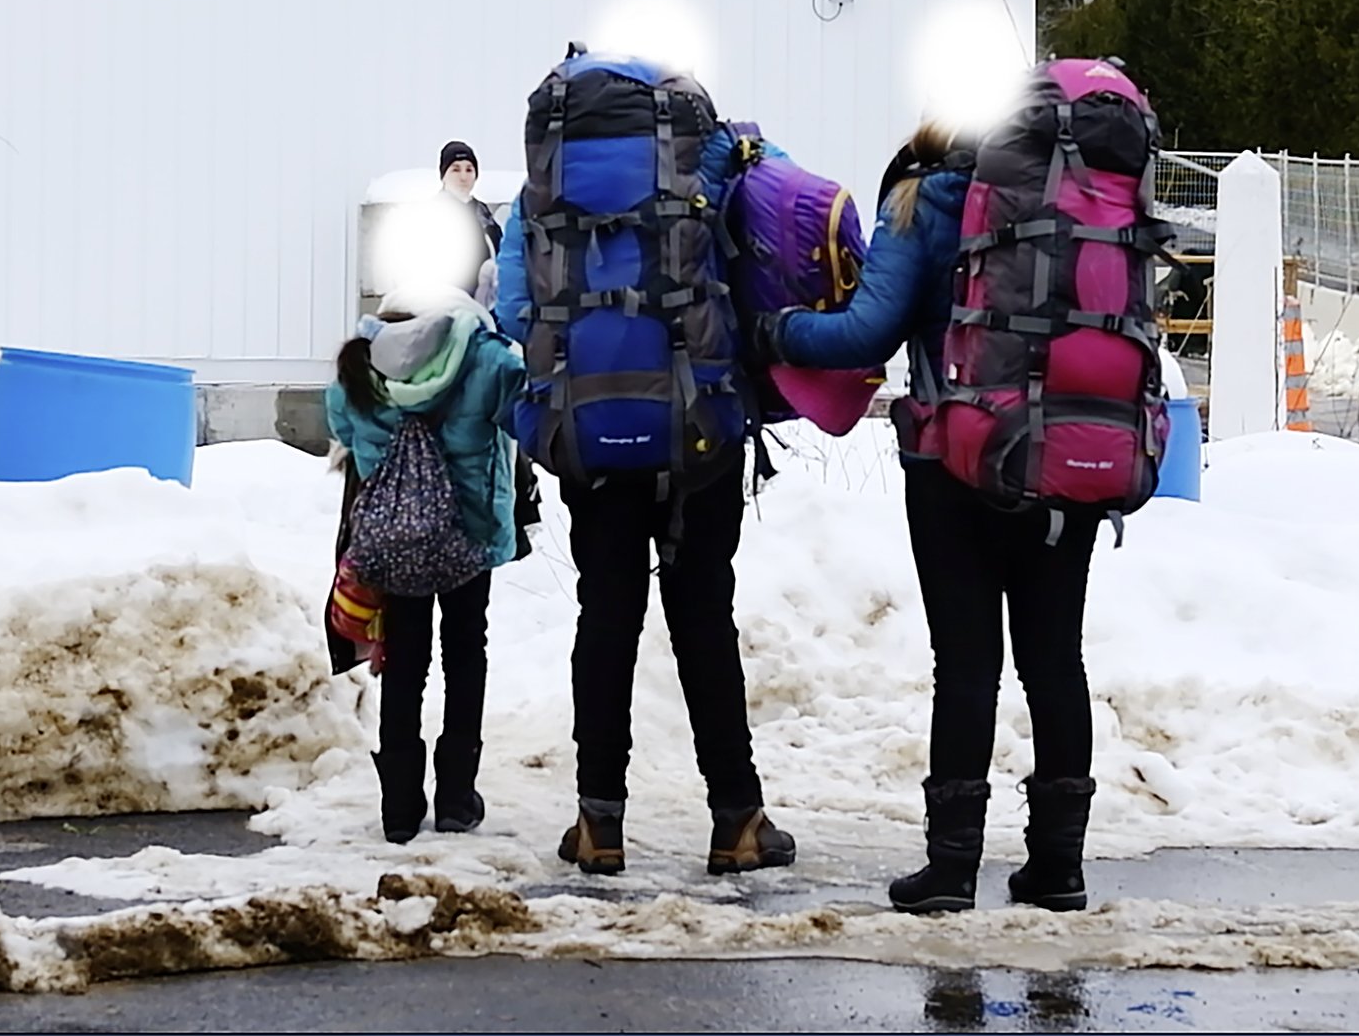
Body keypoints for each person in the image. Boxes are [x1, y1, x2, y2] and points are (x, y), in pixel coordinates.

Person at [757, 120, 1103, 916]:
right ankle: (1059, 865)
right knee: (1055, 659)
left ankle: (950, 869)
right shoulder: (1079, 202)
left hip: (954, 463)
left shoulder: (924, 200)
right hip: (1063, 458)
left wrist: (778, 329)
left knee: (969, 665)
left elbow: (865, 331)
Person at [494, 60, 795, 879]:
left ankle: (599, 823)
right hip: (699, 430)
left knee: (606, 619)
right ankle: (737, 819)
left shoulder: (539, 196)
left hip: (590, 433)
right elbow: (768, 259)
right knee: (704, 618)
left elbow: (516, 311)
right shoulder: (712, 165)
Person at [326, 285, 525, 844]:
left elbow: (343, 432)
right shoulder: (482, 359)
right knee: (466, 654)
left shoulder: (357, 366)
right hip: (469, 536)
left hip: (395, 543)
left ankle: (399, 807)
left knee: (407, 662)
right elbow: (519, 412)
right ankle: (458, 797)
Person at [439, 141, 503, 306]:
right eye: (455, 169)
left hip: (487, 305)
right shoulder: (432, 212)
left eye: (469, 169)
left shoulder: (482, 211)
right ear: (443, 175)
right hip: (447, 305)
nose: (463, 177)